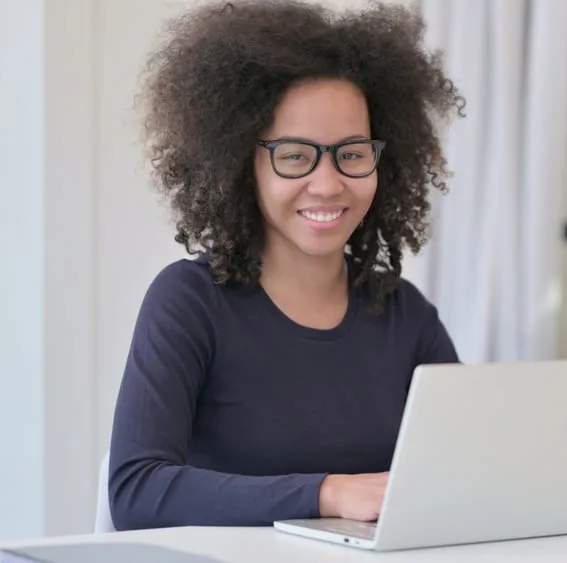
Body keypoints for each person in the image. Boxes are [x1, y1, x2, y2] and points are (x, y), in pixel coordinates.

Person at [107, 0, 465, 531]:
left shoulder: (404, 315)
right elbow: (137, 490)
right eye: (295, 156)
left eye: (353, 152)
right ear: (240, 164)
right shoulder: (189, 302)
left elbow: (466, 472)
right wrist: (326, 494)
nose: (327, 183)